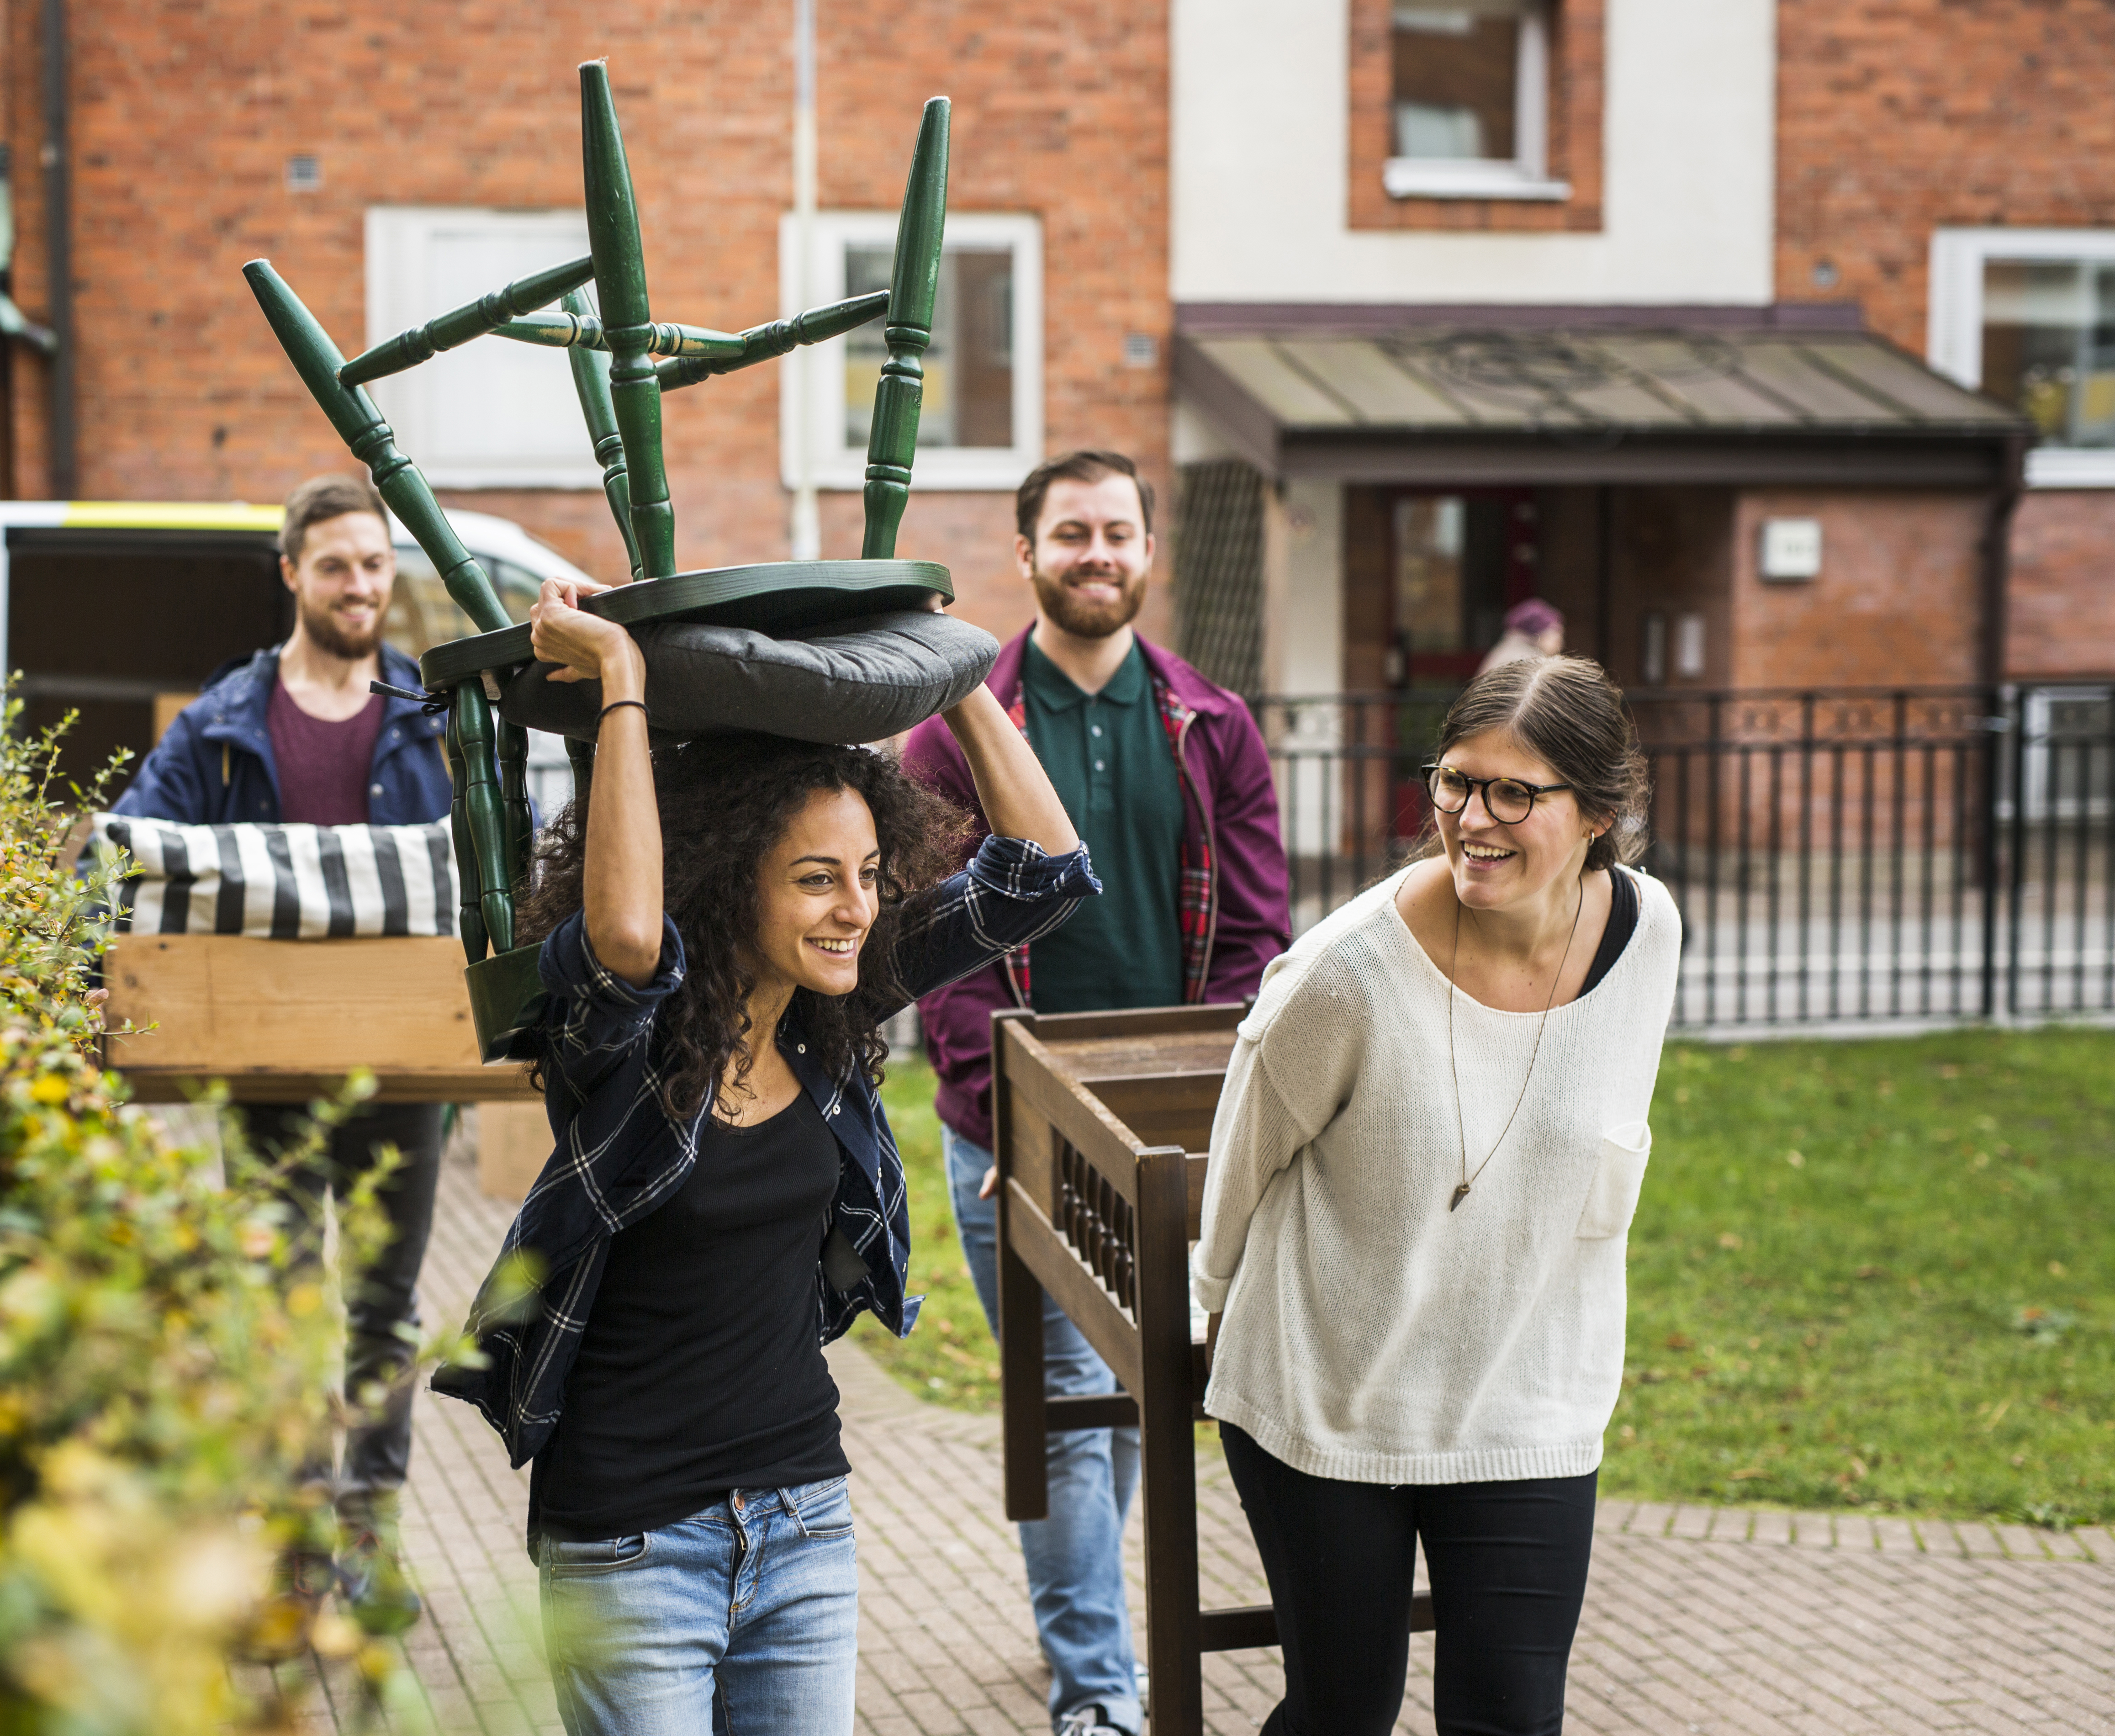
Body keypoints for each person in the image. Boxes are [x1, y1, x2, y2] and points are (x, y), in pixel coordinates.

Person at [434, 575, 1098, 1736]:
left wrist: (953, 669)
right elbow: (631, 936)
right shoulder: (617, 1044)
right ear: (727, 872)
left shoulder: (826, 1015)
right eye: (815, 877)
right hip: (631, 1543)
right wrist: (624, 683)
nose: (857, 908)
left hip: (803, 1521)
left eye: (871, 874)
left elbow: (1039, 873)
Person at [1189, 656, 1679, 1736]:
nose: (1471, 816)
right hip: (1330, 1395)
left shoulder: (1650, 933)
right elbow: (1245, 1152)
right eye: (1456, 781)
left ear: (1597, 812)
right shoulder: (1343, 972)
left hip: (1527, 1398)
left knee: (1511, 1713)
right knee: (1343, 1711)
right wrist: (1210, 1297)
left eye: (1515, 791)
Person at [901, 449, 1291, 1736]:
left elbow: (1253, 934)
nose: (1096, 555)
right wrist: (1004, 1103)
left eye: (1117, 532)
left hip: (1171, 1140)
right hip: (1013, 1132)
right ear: (1025, 556)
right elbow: (940, 951)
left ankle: (1088, 1631)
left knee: (1127, 1407)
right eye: (1069, 533)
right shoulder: (954, 730)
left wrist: (1217, 1095)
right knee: (1073, 1413)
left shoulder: (1211, 726)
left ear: (1147, 551)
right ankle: (1099, 1693)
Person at [110, 471, 451, 1595]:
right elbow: (123, 857)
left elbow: (509, 863)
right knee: (284, 1300)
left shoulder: (432, 719)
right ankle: (301, 1528)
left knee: (383, 1307)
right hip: (262, 1069)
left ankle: (372, 1531)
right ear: (292, 573)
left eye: (375, 563)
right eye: (339, 564)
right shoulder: (218, 728)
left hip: (408, 1064)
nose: (362, 585)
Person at [1479, 597, 1566, 675]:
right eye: (1557, 633)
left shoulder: (1508, 649)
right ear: (1538, 635)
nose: (1561, 641)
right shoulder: (1527, 661)